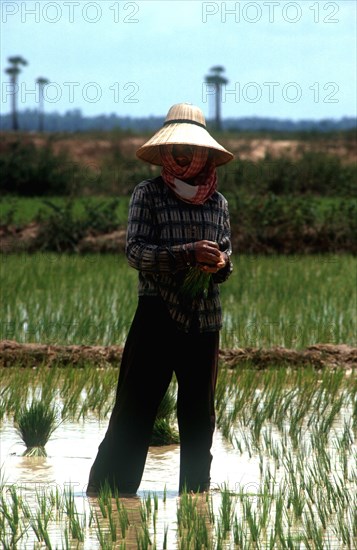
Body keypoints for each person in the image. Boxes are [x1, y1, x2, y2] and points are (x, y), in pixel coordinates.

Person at [86, 102, 234, 497]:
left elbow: (227, 262)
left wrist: (218, 263)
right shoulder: (148, 195)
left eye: (191, 149)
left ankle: (195, 498)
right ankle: (110, 494)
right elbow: (135, 252)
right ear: (166, 153)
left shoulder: (218, 204)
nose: (184, 156)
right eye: (177, 150)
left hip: (204, 321)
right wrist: (187, 254)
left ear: (204, 153)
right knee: (135, 409)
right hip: (157, 316)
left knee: (199, 417)